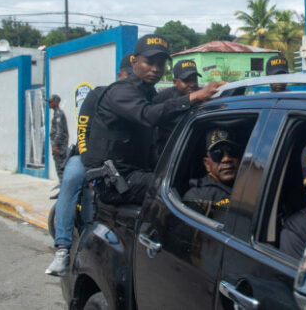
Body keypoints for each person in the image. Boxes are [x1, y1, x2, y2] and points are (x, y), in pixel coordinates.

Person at [82, 34, 224, 206]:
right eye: (149, 62)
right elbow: (148, 114)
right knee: (179, 188)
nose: (156, 69)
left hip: (135, 174)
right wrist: (195, 96)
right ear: (134, 62)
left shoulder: (148, 93)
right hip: (115, 181)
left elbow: (166, 116)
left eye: (160, 64)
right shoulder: (121, 91)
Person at [45, 54, 134, 276]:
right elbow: (82, 132)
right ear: (120, 75)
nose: (131, 80)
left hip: (118, 162)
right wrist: (91, 164)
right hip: (86, 157)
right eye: (128, 75)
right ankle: (62, 250)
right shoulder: (99, 95)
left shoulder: (140, 101)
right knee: (71, 180)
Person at [183, 128, 242, 213]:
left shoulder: (253, 185)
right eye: (217, 154)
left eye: (232, 152)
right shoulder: (198, 196)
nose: (226, 159)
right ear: (207, 164)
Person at [153, 59, 202, 151]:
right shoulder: (162, 98)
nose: (192, 84)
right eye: (187, 81)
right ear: (175, 82)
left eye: (194, 80)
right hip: (170, 151)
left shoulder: (203, 94)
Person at [47, 94, 69, 179]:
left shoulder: (59, 114)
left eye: (50, 101)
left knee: (60, 168)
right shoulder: (56, 114)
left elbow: (60, 132)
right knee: (59, 168)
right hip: (58, 146)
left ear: (56, 102)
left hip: (60, 147)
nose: (49, 103)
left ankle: (63, 185)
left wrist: (55, 145)